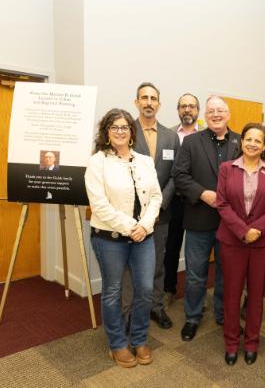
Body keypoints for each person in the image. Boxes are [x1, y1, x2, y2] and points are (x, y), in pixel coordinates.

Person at [85, 108, 162, 368]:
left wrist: (145, 225)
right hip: (110, 239)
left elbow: (155, 198)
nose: (120, 131)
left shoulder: (144, 160)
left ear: (132, 132)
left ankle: (139, 339)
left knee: (145, 289)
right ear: (107, 132)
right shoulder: (98, 161)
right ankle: (117, 343)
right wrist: (132, 227)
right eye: (115, 127)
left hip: (144, 237)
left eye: (125, 127)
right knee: (112, 291)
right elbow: (99, 205)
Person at [173, 95, 241, 341]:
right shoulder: (191, 142)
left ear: (228, 114)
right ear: (205, 115)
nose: (216, 114)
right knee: (195, 274)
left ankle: (223, 314)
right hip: (199, 220)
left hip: (231, 224)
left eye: (220, 111)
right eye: (211, 111)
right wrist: (202, 194)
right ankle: (192, 317)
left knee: (227, 273)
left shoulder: (241, 142)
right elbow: (179, 175)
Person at [216, 123, 265, 366]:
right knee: (232, 294)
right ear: (241, 141)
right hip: (232, 241)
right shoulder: (226, 169)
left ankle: (252, 342)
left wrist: (258, 230)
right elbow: (222, 203)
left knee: (256, 294)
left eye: (258, 140)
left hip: (261, 243)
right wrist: (244, 231)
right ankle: (232, 343)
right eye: (249, 139)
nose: (253, 143)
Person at [122, 82, 179, 330]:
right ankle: (131, 312)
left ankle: (156, 307)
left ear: (159, 104)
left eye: (153, 98)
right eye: (143, 98)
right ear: (136, 102)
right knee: (130, 268)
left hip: (161, 215)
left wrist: (159, 206)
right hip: (130, 215)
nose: (148, 102)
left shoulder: (170, 136)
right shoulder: (125, 131)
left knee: (158, 263)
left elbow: (176, 175)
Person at [163, 93, 206, 309]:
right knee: (171, 247)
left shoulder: (208, 134)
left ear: (198, 110)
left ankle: (198, 294)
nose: (187, 110)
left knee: (199, 250)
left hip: (200, 201)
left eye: (191, 106)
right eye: (183, 106)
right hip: (174, 201)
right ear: (178, 110)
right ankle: (169, 289)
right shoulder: (169, 134)